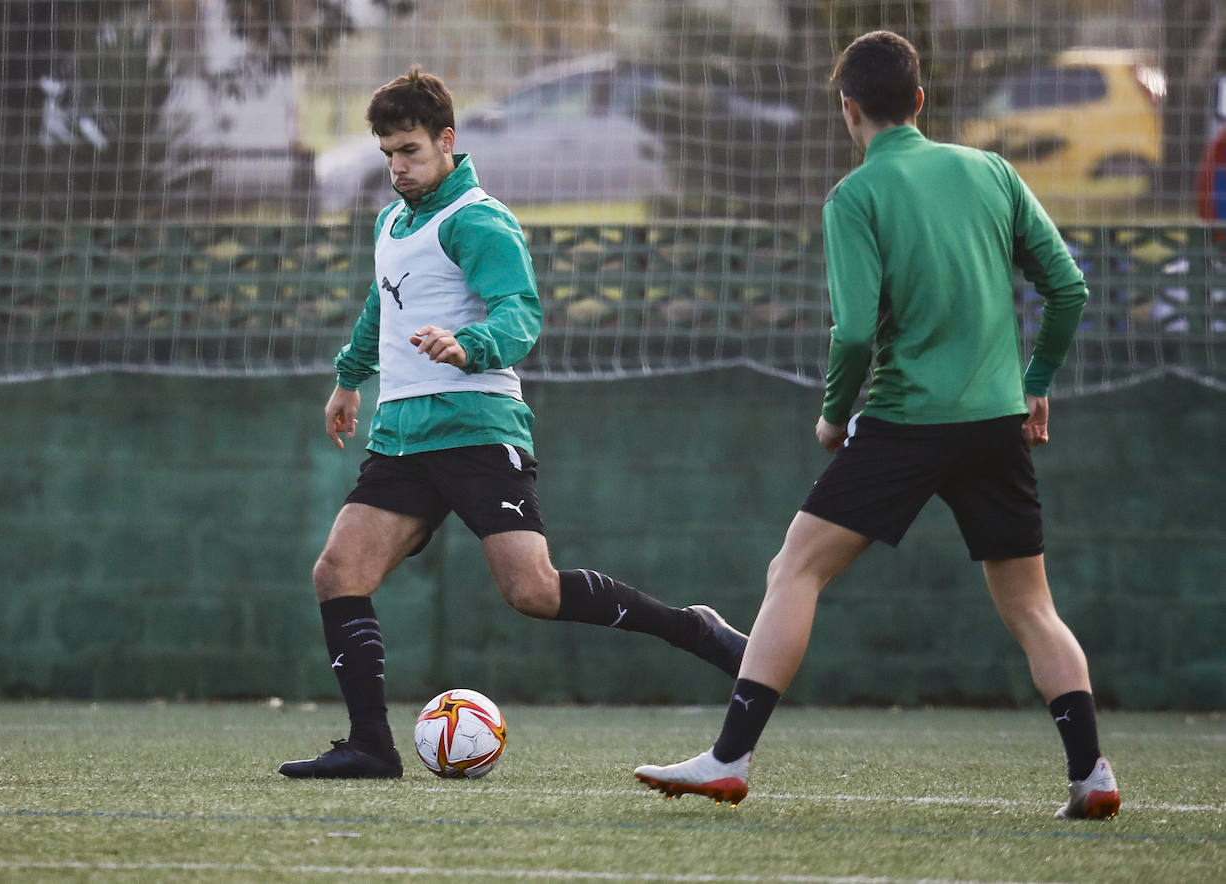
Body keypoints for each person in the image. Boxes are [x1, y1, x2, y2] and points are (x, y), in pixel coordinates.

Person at [632, 31, 1120, 820]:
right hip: (996, 421)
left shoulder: (856, 195)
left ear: (847, 109)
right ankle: (1092, 773)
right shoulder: (990, 169)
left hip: (903, 423)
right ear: (921, 101)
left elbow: (854, 330)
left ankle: (729, 758)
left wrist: (833, 415)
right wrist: (1036, 384)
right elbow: (1067, 288)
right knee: (1033, 607)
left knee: (795, 571)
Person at [278, 66, 747, 779]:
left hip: (474, 428)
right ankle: (371, 746)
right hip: (401, 438)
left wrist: (472, 346)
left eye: (409, 150)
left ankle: (694, 628)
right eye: (387, 154)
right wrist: (347, 380)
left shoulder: (479, 219)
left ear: (446, 141)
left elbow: (520, 314)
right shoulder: (392, 220)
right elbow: (383, 306)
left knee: (533, 591)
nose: (398, 167)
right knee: (338, 572)